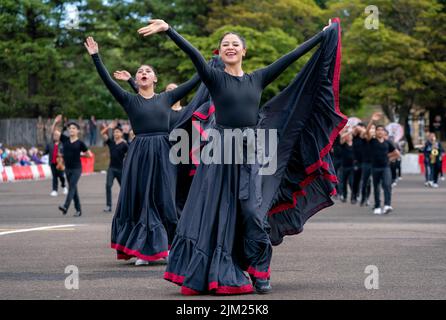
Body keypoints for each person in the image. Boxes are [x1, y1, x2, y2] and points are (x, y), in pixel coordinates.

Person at [139, 18, 346, 295]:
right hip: (219, 152)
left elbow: (291, 57)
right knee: (216, 212)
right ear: (220, 52)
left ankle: (260, 272)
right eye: (225, 44)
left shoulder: (257, 78)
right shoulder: (215, 77)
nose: (230, 47)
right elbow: (194, 56)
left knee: (251, 211)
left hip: (249, 150)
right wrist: (170, 31)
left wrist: (321, 37)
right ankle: (213, 271)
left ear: (244, 51)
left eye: (235, 44)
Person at [84, 36, 204, 266]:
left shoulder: (167, 97)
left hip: (163, 150)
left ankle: (165, 246)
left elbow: (197, 79)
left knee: (164, 198)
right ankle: (142, 250)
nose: (143, 73)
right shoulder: (129, 100)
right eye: (140, 71)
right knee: (141, 199)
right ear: (137, 80)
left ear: (155, 79)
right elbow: (108, 81)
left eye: (148, 71)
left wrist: (213, 63)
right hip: (139, 151)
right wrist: (96, 57)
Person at [53, 115, 92, 217]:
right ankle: (78, 210)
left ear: (78, 131)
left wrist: (82, 154)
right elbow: (54, 132)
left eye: (74, 128)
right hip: (68, 169)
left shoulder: (80, 143)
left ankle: (65, 206)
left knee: (72, 188)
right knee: (73, 189)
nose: (71, 130)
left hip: (77, 169)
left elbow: (89, 155)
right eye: (70, 128)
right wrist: (55, 122)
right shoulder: (65, 139)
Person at [365, 112, 400, 215]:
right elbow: (367, 132)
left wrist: (388, 158)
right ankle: (377, 206)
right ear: (375, 132)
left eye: (382, 130)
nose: (380, 131)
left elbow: (397, 154)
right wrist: (372, 120)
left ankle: (387, 205)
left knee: (387, 185)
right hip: (375, 168)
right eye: (378, 130)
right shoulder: (372, 140)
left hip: (385, 167)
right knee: (376, 187)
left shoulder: (388, 142)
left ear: (384, 132)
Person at [100, 121, 129, 212]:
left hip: (121, 169)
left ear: (121, 133)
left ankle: (127, 205)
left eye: (117, 132)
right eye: (115, 132)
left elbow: (130, 154)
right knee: (108, 186)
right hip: (111, 168)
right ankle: (108, 206)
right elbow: (102, 133)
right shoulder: (111, 142)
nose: (115, 133)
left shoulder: (124, 144)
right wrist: (109, 127)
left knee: (124, 188)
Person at [44, 129, 68, 197]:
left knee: (61, 176)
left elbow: (66, 153)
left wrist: (62, 155)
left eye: (57, 135)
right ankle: (54, 190)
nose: (55, 136)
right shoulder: (50, 144)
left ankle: (64, 186)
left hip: (60, 163)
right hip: (52, 162)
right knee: (54, 176)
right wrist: (41, 153)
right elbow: (46, 151)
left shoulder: (63, 144)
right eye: (54, 135)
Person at [339, 130, 355, 203]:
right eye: (348, 135)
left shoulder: (355, 144)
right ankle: (344, 196)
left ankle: (353, 197)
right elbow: (342, 137)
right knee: (344, 182)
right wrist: (349, 131)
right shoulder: (343, 144)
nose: (349, 136)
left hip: (353, 167)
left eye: (350, 135)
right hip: (344, 166)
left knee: (352, 182)